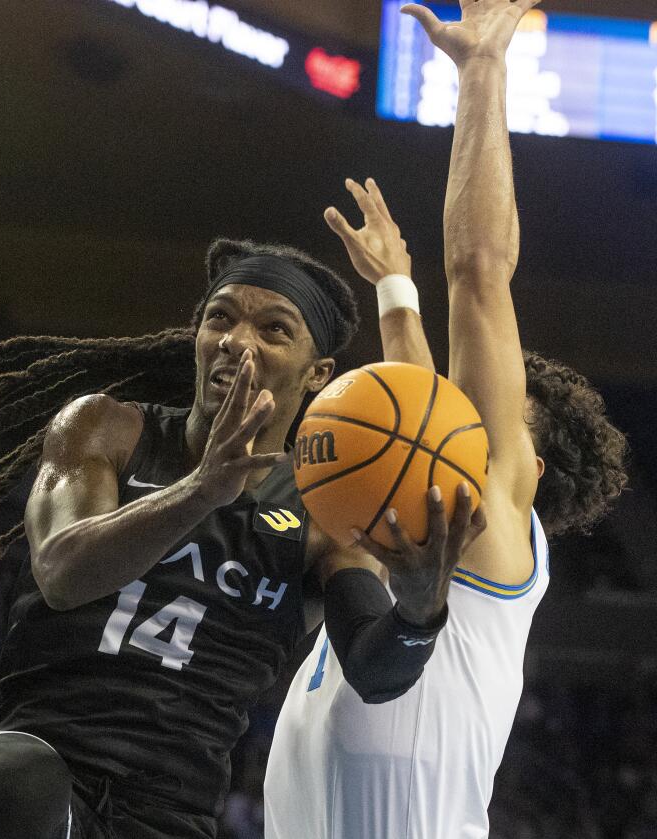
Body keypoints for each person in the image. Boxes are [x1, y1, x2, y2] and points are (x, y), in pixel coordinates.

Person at [0, 218, 486, 832]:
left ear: (317, 375)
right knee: (13, 776)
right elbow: (62, 573)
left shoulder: (323, 514)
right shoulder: (108, 428)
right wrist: (201, 492)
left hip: (170, 811)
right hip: (36, 775)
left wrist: (421, 611)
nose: (237, 340)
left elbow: (376, 672)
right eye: (221, 318)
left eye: (274, 330)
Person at [263, 2, 628, 837]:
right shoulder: (420, 541)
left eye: (490, 419)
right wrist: (395, 291)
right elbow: (419, 418)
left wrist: (481, 73)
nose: (461, 418)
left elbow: (479, 272)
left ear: (526, 471)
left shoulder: (500, 528)